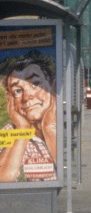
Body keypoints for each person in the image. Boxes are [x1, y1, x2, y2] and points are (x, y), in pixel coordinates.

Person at [0, 50, 57, 182]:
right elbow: (3, 178)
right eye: (18, 91)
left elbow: (64, 174)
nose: (27, 97)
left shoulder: (61, 126)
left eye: (35, 84)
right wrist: (22, 130)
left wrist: (49, 129)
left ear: (52, 87)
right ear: (11, 100)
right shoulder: (10, 131)